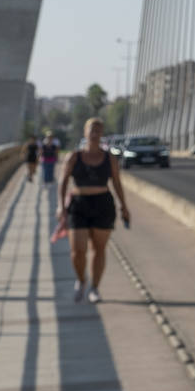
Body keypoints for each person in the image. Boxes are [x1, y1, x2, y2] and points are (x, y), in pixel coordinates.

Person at [57, 117, 130, 303]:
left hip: (102, 204)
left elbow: (117, 183)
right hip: (78, 204)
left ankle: (95, 288)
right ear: (85, 132)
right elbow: (63, 181)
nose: (95, 133)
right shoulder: (74, 156)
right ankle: (81, 280)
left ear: (102, 133)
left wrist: (124, 206)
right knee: (77, 251)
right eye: (92, 130)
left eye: (98, 130)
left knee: (99, 249)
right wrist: (61, 206)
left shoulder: (109, 158)